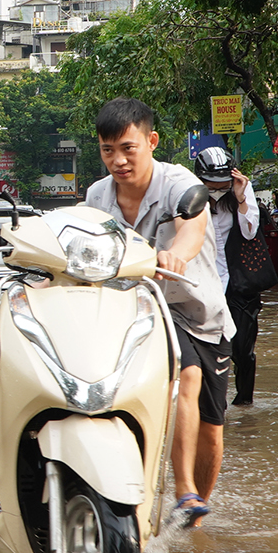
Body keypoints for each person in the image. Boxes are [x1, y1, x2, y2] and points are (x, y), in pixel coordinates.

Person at [85, 98, 234, 528]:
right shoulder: (97, 195)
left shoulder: (178, 184)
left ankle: (195, 511)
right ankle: (180, 489)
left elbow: (193, 229)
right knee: (182, 373)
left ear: (151, 141)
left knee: (212, 425)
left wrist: (175, 256)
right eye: (107, 150)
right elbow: (79, 243)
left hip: (197, 312)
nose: (118, 160)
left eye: (127, 148)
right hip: (134, 310)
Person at [195, 147, 261, 406]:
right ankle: (211, 404)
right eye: (212, 185)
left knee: (243, 349)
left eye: (224, 183)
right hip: (203, 282)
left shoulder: (241, 191)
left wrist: (241, 197)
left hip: (239, 282)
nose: (218, 189)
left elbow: (249, 232)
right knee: (206, 348)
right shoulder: (189, 196)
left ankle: (244, 404)